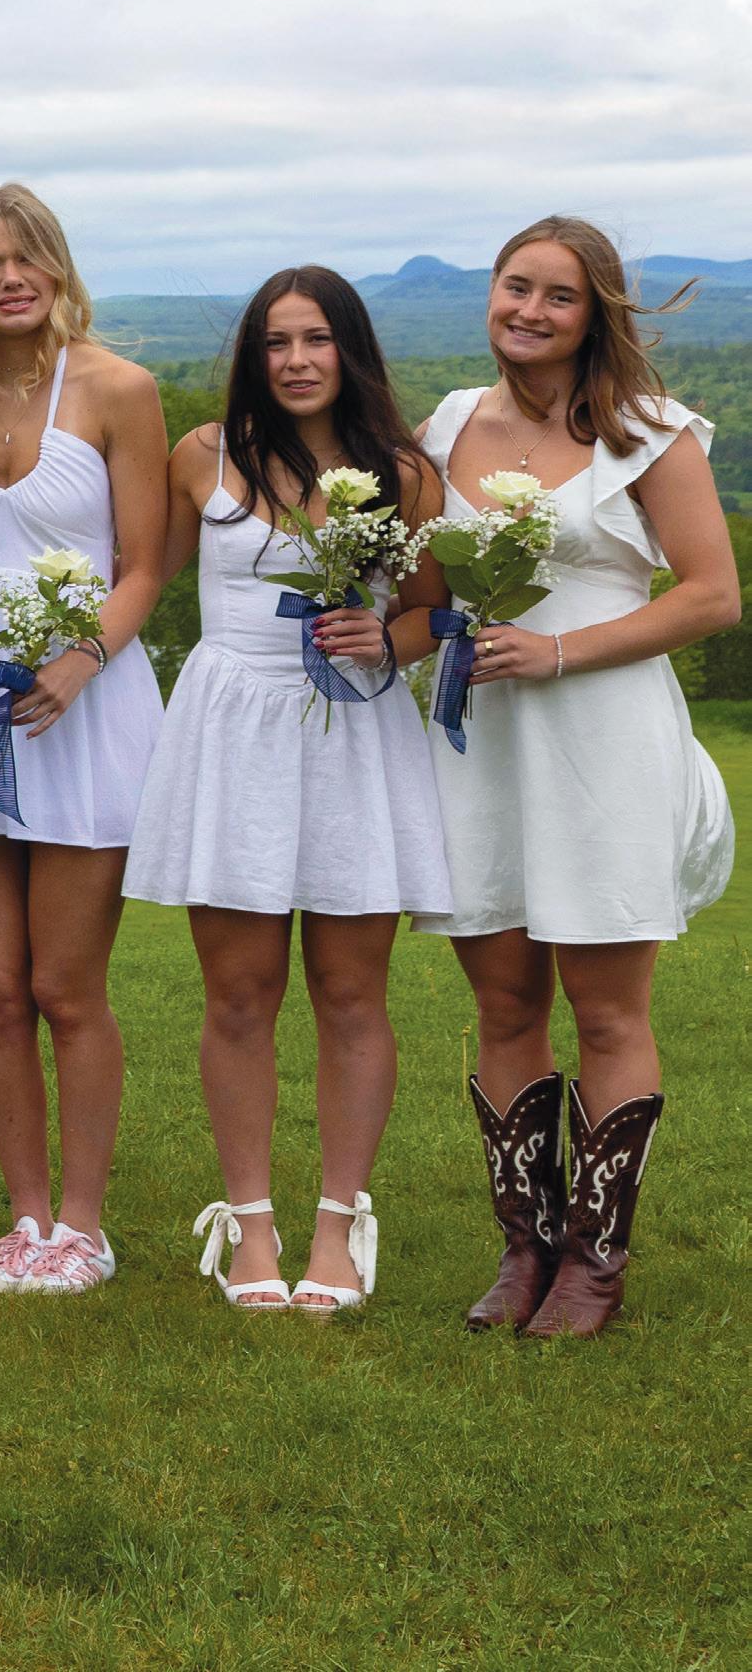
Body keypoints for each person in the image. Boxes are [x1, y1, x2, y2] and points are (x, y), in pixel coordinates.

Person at [416, 217, 738, 1339]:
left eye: (559, 296)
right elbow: (424, 586)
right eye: (517, 286)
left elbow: (710, 593)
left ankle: (595, 1263)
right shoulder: (449, 421)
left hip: (601, 737)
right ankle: (525, 1246)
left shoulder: (650, 432)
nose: (531, 310)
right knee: (504, 998)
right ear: (490, 293)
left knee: (605, 1008)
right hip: (484, 739)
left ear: (595, 314)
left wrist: (557, 650)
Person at [124, 270, 451, 1310]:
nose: (296, 360)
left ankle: (338, 1228)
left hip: (353, 732)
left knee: (351, 992)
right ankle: (251, 1226)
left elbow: (431, 612)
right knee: (238, 992)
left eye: (316, 339)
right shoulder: (201, 455)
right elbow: (142, 576)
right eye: (275, 341)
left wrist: (384, 636)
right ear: (251, 355)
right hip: (230, 726)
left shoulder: (404, 473)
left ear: (349, 349)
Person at [0, 184, 167, 1295]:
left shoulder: (117, 388)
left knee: (65, 983)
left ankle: (84, 1229)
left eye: (26, 257)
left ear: (56, 265)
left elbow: (145, 562)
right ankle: (25, 1220)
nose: (9, 279)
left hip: (83, 702)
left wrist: (77, 657)